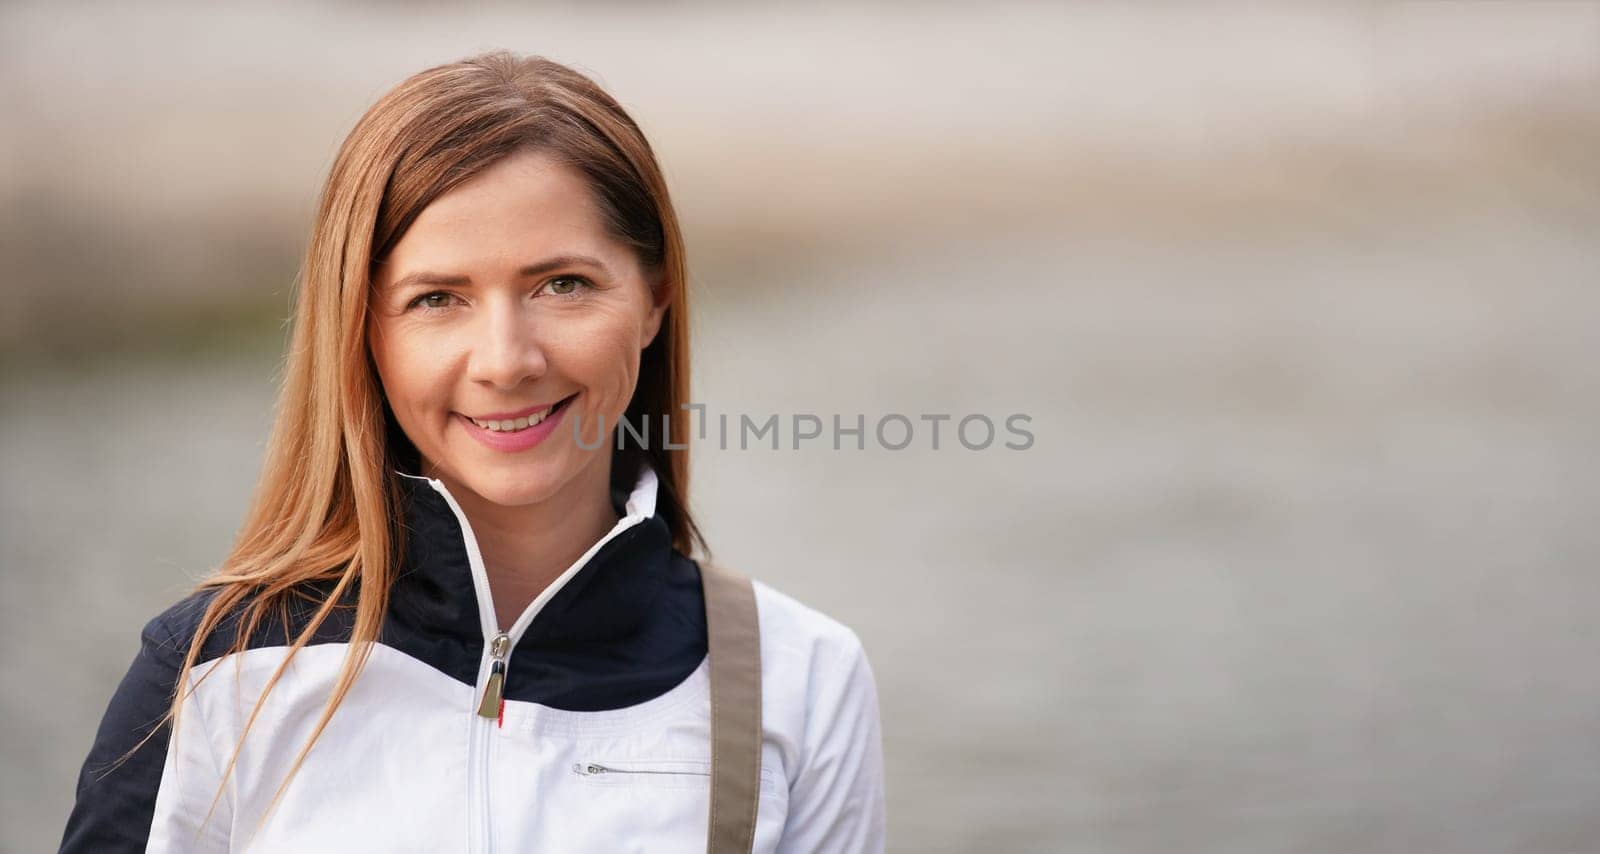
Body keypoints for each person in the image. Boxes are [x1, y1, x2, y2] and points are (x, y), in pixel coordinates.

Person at [59, 51, 886, 853]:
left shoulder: (799, 683)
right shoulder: (216, 675)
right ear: (361, 332)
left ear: (653, 302)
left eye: (562, 284)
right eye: (437, 299)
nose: (506, 360)